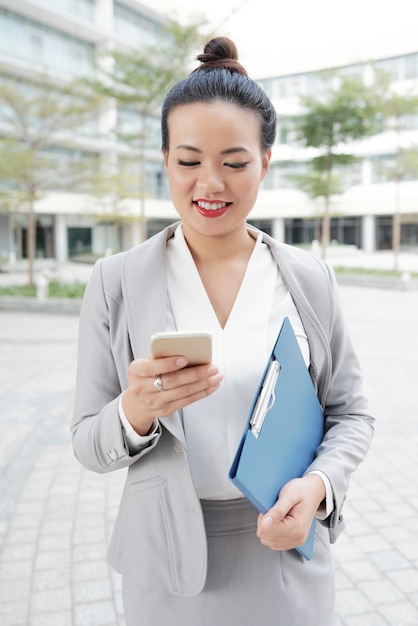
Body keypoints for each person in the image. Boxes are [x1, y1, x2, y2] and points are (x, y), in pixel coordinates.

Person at [71, 37, 374, 626]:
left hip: (286, 553)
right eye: (188, 162)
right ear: (164, 161)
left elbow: (352, 414)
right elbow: (87, 441)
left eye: (234, 162)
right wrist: (134, 410)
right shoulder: (116, 282)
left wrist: (318, 486)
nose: (210, 183)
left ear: (265, 160)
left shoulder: (309, 280)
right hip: (167, 562)